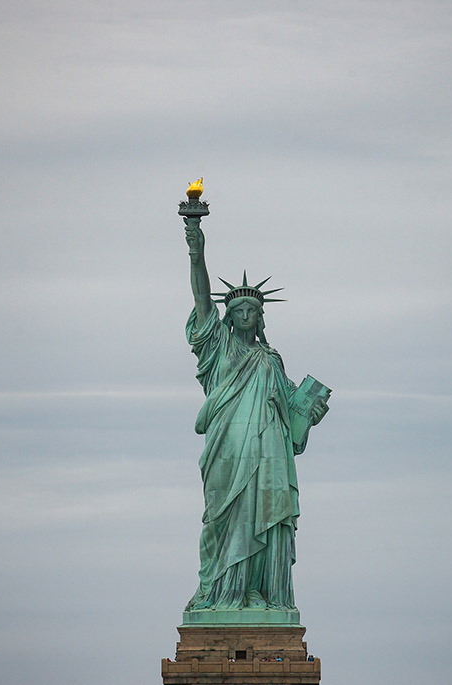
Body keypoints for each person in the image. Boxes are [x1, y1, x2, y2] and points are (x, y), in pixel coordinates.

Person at [182, 216, 328, 612]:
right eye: (239, 309)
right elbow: (200, 297)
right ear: (228, 317)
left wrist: (310, 410)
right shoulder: (218, 349)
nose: (247, 314)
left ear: (261, 318)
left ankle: (258, 592)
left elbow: (292, 411)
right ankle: (222, 592)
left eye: (253, 310)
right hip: (228, 449)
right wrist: (196, 246)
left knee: (263, 514)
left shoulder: (270, 359)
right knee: (224, 519)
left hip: (269, 453)